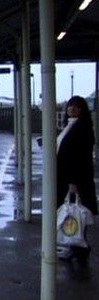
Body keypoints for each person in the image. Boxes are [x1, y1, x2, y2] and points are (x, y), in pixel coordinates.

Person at [56, 95, 98, 260]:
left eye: (77, 106)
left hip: (76, 179)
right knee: (73, 212)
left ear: (82, 110)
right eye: (70, 106)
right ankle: (76, 246)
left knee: (75, 212)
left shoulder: (83, 128)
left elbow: (80, 156)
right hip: (66, 177)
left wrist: (74, 181)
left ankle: (78, 246)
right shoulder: (69, 126)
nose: (72, 109)